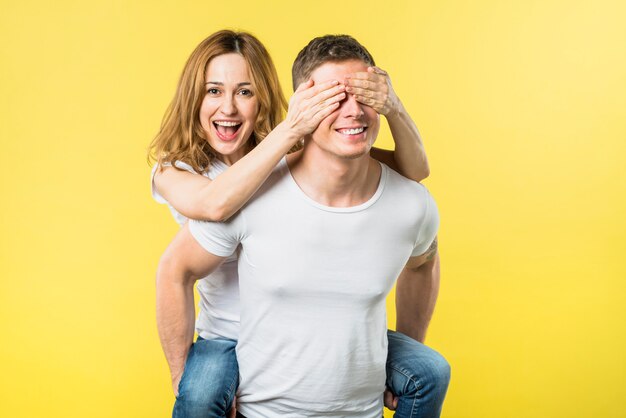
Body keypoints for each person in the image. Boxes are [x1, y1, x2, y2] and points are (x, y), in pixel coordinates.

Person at [151, 31, 449, 418]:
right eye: (213, 91)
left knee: (430, 372)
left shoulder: (294, 150)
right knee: (198, 395)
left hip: (320, 334)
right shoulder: (178, 172)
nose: (229, 107)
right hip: (227, 336)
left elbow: (413, 169)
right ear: (194, 99)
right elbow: (214, 204)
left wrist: (391, 107)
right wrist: (180, 374)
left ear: (263, 100)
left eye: (245, 91)